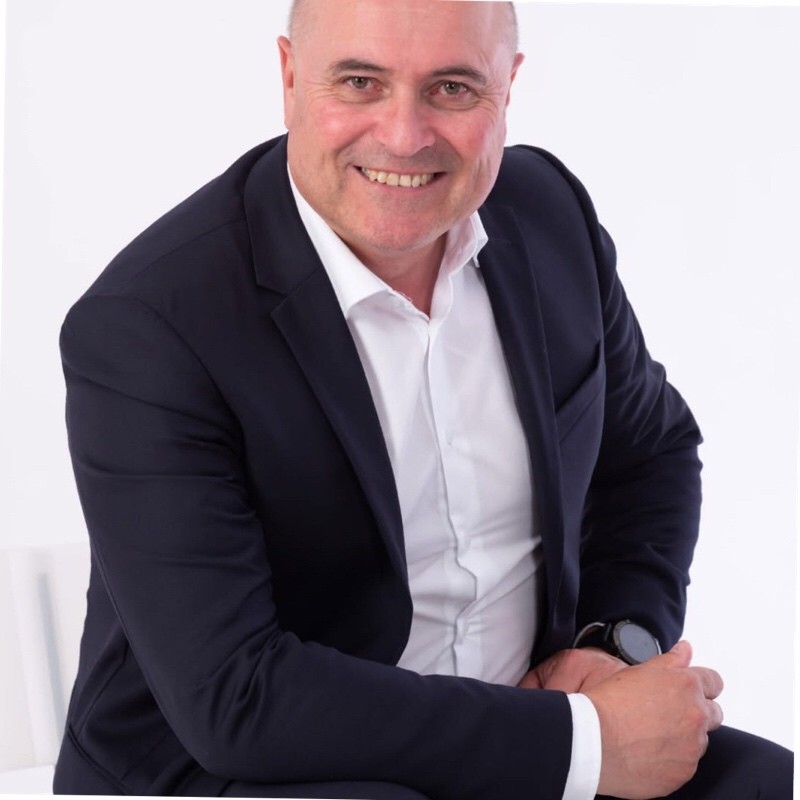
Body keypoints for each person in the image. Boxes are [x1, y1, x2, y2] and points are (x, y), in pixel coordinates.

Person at [53, 1, 792, 798]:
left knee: (765, 782)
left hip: (527, 718)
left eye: (452, 89)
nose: (404, 137)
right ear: (290, 77)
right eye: (360, 82)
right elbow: (237, 696)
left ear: (507, 88)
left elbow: (648, 454)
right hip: (255, 766)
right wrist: (582, 742)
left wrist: (608, 649)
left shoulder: (548, 215)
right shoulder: (152, 323)